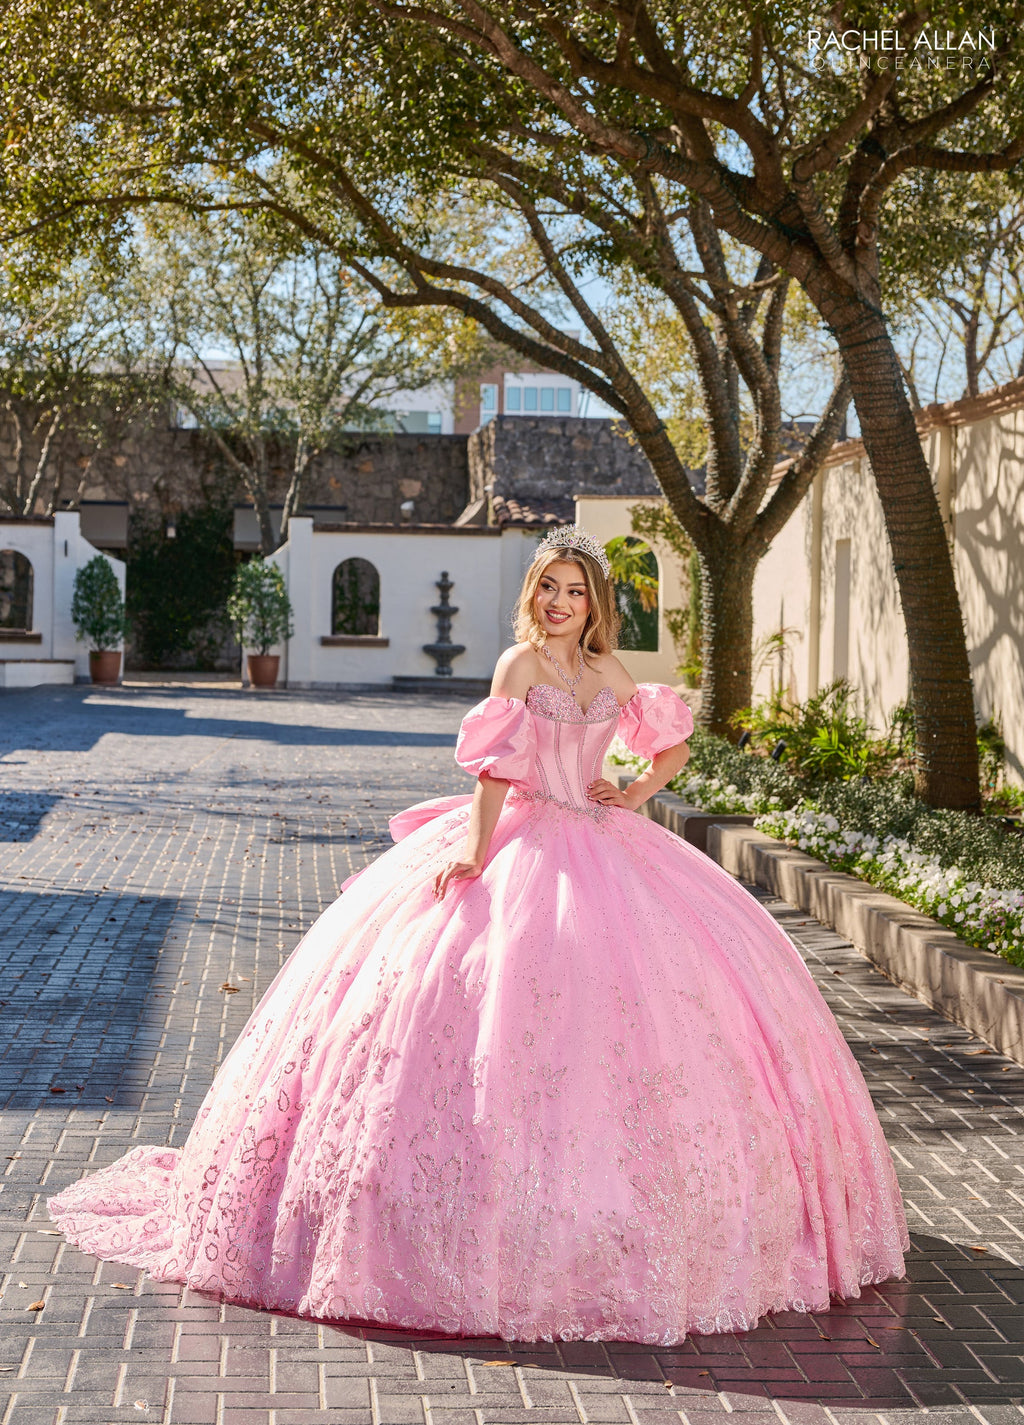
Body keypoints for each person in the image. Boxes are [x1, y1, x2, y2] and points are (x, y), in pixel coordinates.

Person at [49, 525, 908, 1345]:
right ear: (533, 595)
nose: (561, 600)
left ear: (597, 601)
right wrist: (472, 849)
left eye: (576, 590)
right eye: (549, 587)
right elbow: (496, 768)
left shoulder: (614, 672)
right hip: (524, 835)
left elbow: (673, 747)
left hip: (604, 843)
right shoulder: (518, 662)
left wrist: (634, 793)